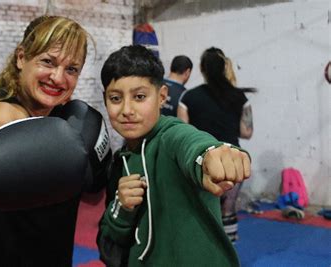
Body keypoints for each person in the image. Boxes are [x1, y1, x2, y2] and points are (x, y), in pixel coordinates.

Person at [0, 15, 108, 266]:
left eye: (71, 69)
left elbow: (90, 196)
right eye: (48, 62)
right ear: (21, 57)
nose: (58, 78)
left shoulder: (60, 120)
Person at [96, 45, 251, 266]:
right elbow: (111, 239)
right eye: (115, 98)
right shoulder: (119, 163)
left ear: (161, 97)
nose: (127, 110)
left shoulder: (169, 137)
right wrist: (122, 207)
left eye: (139, 97)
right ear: (105, 99)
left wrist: (207, 156)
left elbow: (188, 140)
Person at [177, 47, 256, 243]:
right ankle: (228, 256)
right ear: (224, 67)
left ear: (202, 69)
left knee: (201, 211)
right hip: (233, 158)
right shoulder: (240, 97)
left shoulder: (188, 97)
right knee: (227, 210)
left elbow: (182, 134)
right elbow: (247, 132)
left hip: (203, 160)